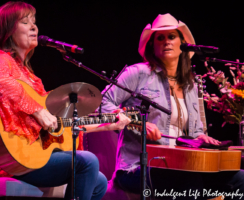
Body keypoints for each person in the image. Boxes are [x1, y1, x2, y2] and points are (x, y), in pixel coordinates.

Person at [0, 2, 131, 200]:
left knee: (98, 181)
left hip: (31, 158)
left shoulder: (31, 78)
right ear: (6, 30)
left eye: (34, 22)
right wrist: (38, 110)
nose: (34, 27)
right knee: (87, 162)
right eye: (25, 22)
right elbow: (3, 83)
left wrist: (108, 124)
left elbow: (61, 126)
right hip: (9, 160)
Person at [100, 13, 244, 199]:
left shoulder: (191, 84)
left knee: (239, 179)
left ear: (182, 43)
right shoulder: (137, 73)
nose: (166, 41)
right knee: (188, 181)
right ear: (152, 44)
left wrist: (201, 138)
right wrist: (137, 124)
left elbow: (195, 130)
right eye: (160, 37)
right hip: (138, 168)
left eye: (171, 37)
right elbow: (102, 103)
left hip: (183, 165)